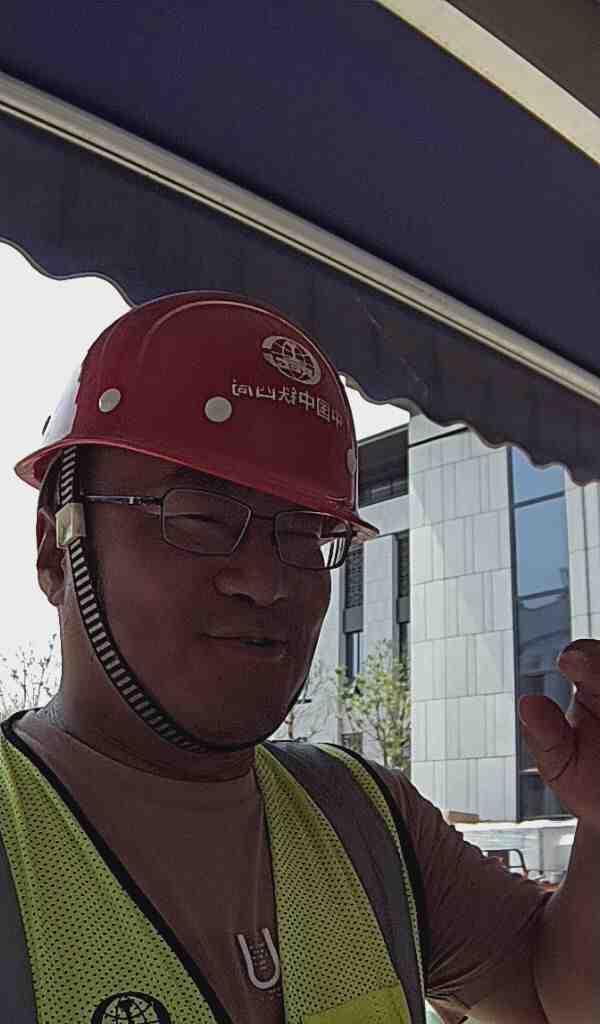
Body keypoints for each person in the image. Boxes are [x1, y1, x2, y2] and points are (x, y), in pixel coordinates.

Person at [4, 291, 599, 1023]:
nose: (266, 580)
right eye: (200, 516)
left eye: (304, 532)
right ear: (55, 552)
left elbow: (552, 998)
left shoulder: (368, 822)